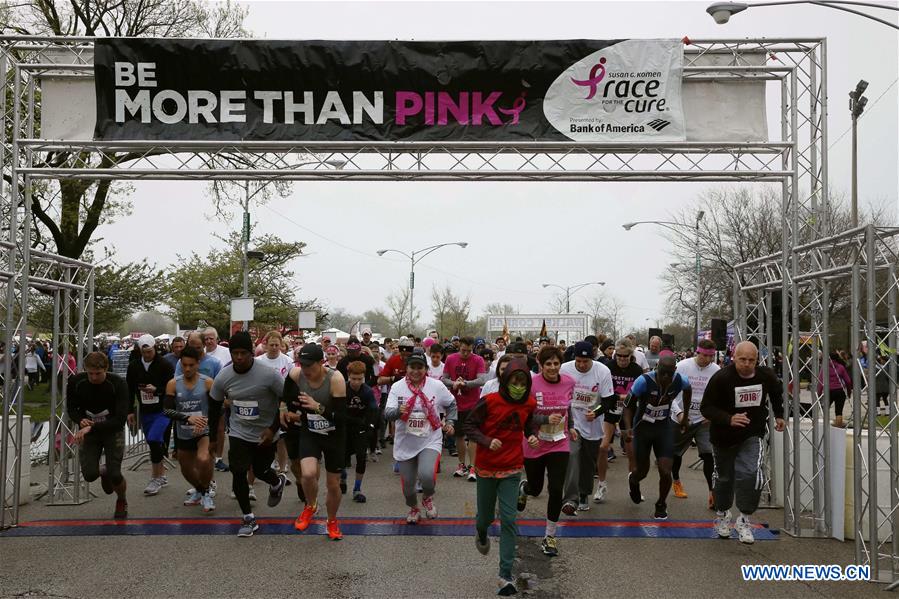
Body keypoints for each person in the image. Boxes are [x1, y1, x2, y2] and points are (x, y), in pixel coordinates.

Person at [465, 358, 539, 596]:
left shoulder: (529, 402)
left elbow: (528, 424)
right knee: (484, 517)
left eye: (522, 383)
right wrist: (487, 441)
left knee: (509, 520)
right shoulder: (490, 401)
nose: (518, 387)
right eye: (514, 382)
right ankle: (482, 531)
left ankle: (505, 576)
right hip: (486, 467)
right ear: (505, 381)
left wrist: (532, 436)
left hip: (512, 467)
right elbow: (469, 426)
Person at [701, 341, 784, 544]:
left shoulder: (766, 376)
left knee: (751, 474)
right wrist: (729, 419)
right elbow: (706, 408)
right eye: (742, 359)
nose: (747, 364)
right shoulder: (721, 378)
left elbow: (776, 394)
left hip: (751, 434)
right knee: (724, 478)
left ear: (757, 360)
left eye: (751, 360)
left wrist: (779, 415)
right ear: (734, 358)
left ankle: (745, 519)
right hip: (723, 437)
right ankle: (722, 516)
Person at [209, 332, 288, 537]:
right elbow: (214, 405)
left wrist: (273, 428)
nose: (239, 357)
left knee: (261, 470)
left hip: (265, 433)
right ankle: (248, 517)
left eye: (243, 353)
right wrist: (212, 438)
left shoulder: (269, 374)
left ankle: (276, 481)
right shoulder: (224, 376)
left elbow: (287, 400)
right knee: (238, 470)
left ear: (252, 353)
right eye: (235, 353)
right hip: (238, 431)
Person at [284, 343, 348, 541]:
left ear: (322, 363)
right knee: (309, 474)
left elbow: (341, 417)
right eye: (302, 365)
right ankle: (310, 506)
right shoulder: (296, 374)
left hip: (334, 435)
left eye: (310, 366)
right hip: (310, 431)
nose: (305, 370)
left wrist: (317, 406)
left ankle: (332, 520)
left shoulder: (335, 379)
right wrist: (284, 410)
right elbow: (285, 395)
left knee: (333, 484)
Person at [385, 349, 457, 524]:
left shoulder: (436, 386)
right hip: (405, 441)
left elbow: (452, 403)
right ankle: (414, 507)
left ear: (426, 369)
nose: (416, 371)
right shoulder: (397, 387)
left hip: (430, 438)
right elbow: (387, 414)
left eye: (420, 367)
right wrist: (397, 411)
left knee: (426, 476)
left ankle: (427, 498)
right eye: (412, 367)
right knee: (408, 489)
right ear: (406, 368)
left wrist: (451, 423)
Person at [517, 345, 576, 557]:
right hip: (534, 442)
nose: (552, 367)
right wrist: (540, 423)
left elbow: (568, 408)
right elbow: (523, 414)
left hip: (559, 442)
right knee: (536, 488)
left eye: (556, 363)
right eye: (548, 364)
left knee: (556, 489)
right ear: (540, 365)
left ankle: (550, 535)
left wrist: (571, 427)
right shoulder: (531, 384)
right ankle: (525, 489)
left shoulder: (569, 381)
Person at [622, 356, 690, 520]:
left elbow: (688, 391)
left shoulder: (681, 380)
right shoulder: (643, 381)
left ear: (674, 371)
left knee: (666, 471)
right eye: (662, 373)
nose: (666, 377)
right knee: (642, 471)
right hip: (642, 428)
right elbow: (628, 406)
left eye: (669, 374)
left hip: (663, 428)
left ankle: (661, 504)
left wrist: (685, 417)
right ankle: (634, 480)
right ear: (656, 368)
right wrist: (628, 427)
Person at [67, 352, 130, 519]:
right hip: (89, 431)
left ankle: (121, 500)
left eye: (98, 373)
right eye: (90, 373)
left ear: (106, 369)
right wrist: (80, 420)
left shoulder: (118, 383)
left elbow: (120, 418)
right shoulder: (76, 382)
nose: (94, 377)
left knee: (115, 474)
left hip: (111, 430)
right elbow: (72, 408)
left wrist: (91, 426)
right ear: (85, 370)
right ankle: (103, 471)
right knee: (89, 475)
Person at [561, 341, 615, 513]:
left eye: (586, 361)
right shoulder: (565, 369)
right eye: (579, 361)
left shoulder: (602, 371)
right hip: (572, 421)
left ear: (592, 359)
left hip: (593, 424)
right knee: (572, 454)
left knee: (588, 461)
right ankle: (571, 499)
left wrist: (597, 412)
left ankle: (584, 493)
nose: (582, 365)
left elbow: (608, 401)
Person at [163, 346, 216, 512]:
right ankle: (200, 490)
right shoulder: (173, 384)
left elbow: (217, 409)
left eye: (191, 365)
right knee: (186, 469)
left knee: (203, 459)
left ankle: (207, 493)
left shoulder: (207, 383)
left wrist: (207, 422)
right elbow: (166, 410)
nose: (187, 368)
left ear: (198, 364)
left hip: (203, 431)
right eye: (184, 365)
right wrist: (187, 418)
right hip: (183, 432)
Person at [670, 339, 720, 509]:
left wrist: (713, 413)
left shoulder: (716, 370)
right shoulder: (683, 366)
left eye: (711, 356)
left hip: (703, 420)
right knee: (675, 455)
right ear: (697, 353)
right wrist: (678, 412)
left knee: (708, 455)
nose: (707, 359)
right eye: (704, 355)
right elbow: (670, 392)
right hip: (682, 417)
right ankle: (676, 480)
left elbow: (720, 395)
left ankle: (712, 492)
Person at [125, 334, 175, 496]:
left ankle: (155, 478)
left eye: (150, 351)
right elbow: (129, 389)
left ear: (155, 348)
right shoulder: (133, 366)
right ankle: (162, 475)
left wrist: (157, 389)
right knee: (153, 442)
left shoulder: (165, 365)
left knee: (154, 439)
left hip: (163, 410)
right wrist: (130, 410)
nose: (147, 354)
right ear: (140, 350)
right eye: (144, 352)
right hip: (145, 411)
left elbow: (172, 387)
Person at [442, 336, 487, 482]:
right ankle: (461, 464)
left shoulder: (478, 360)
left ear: (472, 348)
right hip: (456, 403)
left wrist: (466, 383)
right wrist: (454, 383)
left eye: (468, 350)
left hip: (473, 403)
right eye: (463, 350)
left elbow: (481, 380)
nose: (466, 353)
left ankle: (473, 466)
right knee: (459, 435)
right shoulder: (450, 359)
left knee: (473, 436)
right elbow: (444, 378)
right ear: (459, 347)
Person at [342, 361, 378, 502]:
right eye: (353, 379)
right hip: (345, 426)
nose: (356, 382)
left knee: (361, 458)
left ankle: (357, 489)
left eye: (360, 379)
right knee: (342, 457)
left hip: (361, 428)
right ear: (348, 376)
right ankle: (343, 478)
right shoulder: (342, 388)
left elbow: (374, 410)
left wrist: (370, 426)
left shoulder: (367, 391)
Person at [817, 351, 852, 428]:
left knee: (825, 409)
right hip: (840, 391)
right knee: (839, 411)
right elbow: (848, 381)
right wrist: (849, 392)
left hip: (829, 391)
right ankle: (838, 427)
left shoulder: (825, 368)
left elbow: (820, 382)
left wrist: (818, 394)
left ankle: (825, 426)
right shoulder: (841, 367)